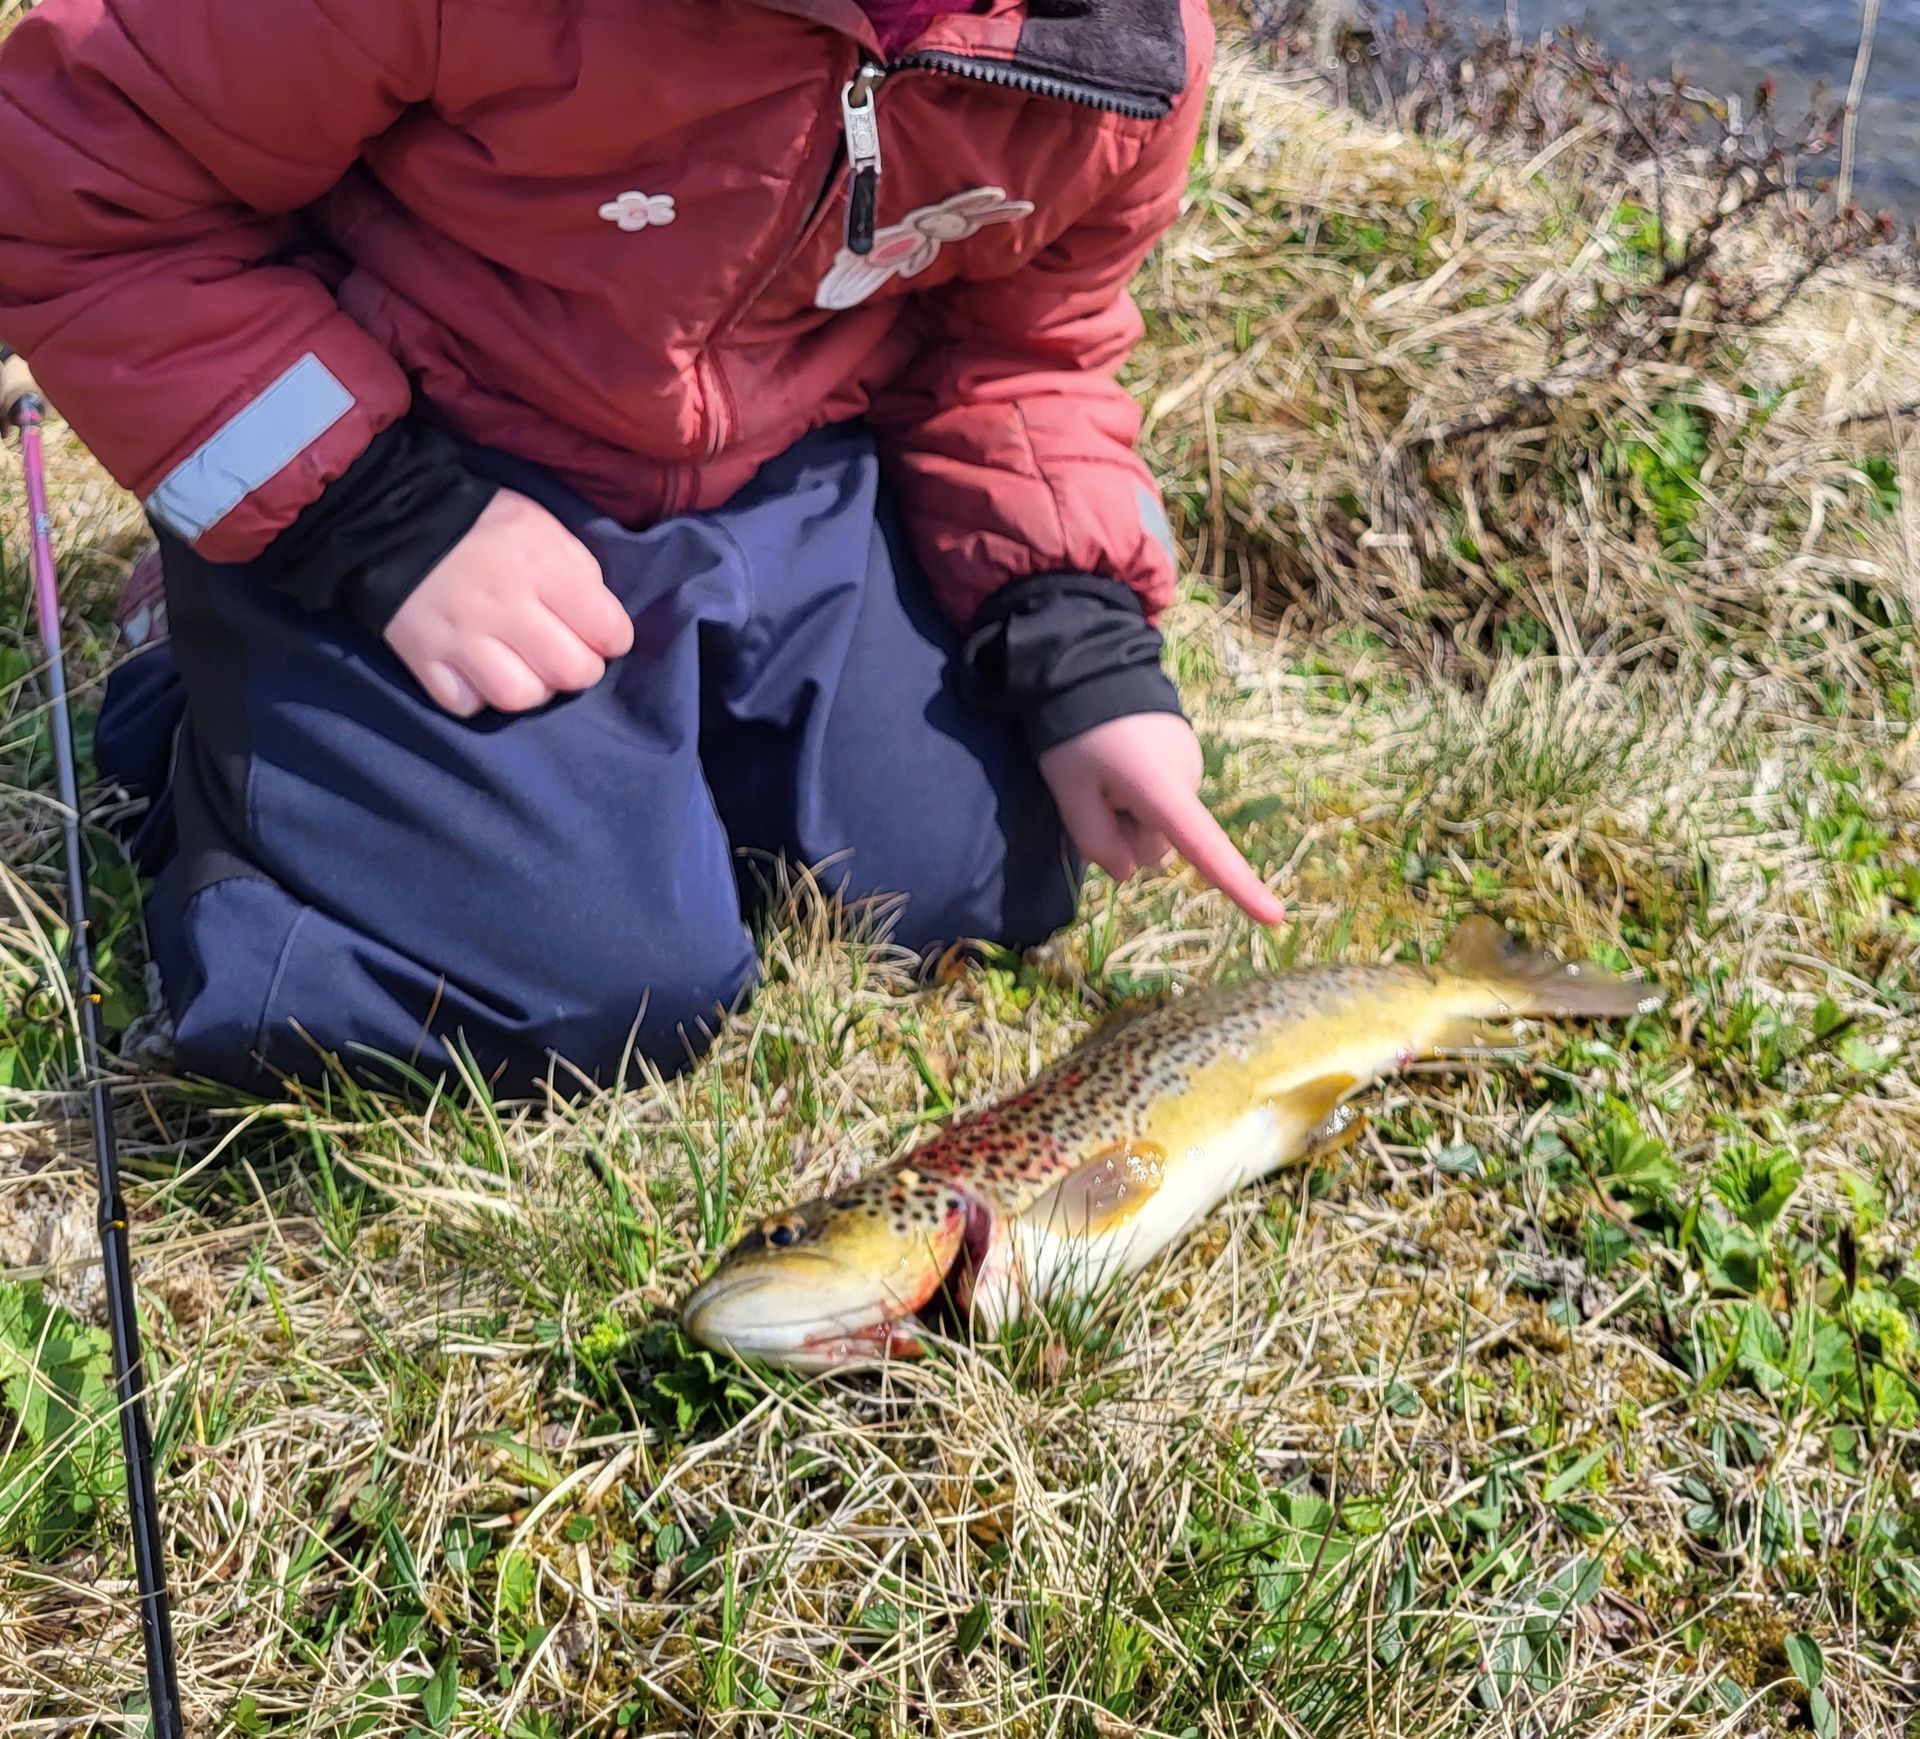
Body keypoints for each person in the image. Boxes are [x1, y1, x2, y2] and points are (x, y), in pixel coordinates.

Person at [0, 0, 1283, 1097]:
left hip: (785, 463)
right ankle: (205, 684)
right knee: (592, 990)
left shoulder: (1123, 50)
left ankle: (632, 773)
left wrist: (1079, 646)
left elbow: (1022, 350)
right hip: (426, 449)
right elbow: (71, 182)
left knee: (970, 877)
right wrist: (376, 520)